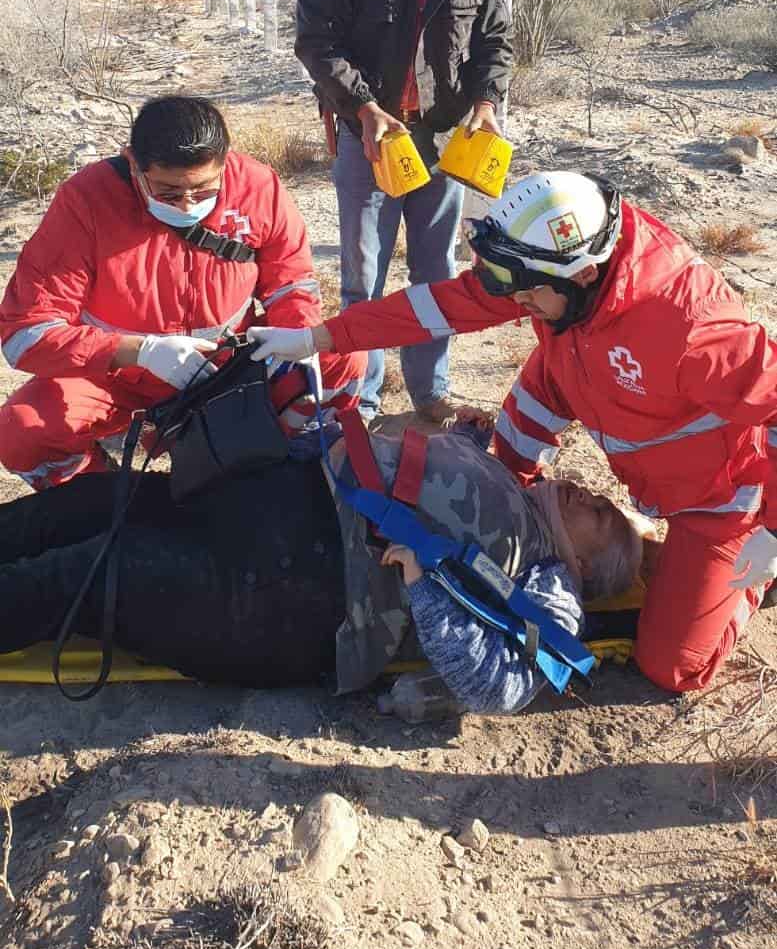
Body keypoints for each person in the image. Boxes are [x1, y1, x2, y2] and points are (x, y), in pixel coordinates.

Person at [251, 170, 777, 695]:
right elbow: (442, 307)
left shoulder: (692, 329)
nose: (516, 305)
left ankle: (758, 579)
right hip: (587, 377)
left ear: (584, 275)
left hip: (719, 497)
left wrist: (772, 530)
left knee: (674, 667)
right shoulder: (550, 267)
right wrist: (320, 337)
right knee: (513, 461)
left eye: (526, 296)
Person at [0, 423, 640, 712]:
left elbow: (497, 688)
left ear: (584, 564)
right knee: (87, 504)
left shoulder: (550, 583)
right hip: (271, 506)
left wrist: (425, 586)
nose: (594, 498)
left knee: (86, 573)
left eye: (604, 518)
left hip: (289, 597)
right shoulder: (511, 482)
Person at [0, 95, 363, 490]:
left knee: (345, 354)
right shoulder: (86, 201)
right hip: (121, 379)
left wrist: (296, 335)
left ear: (226, 163)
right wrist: (139, 351)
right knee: (20, 432)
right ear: (133, 163)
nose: (188, 203)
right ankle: (106, 501)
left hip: (230, 366)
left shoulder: (257, 187)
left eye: (206, 191)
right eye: (169, 193)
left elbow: (291, 283)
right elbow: (25, 334)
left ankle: (283, 465)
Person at [295, 0, 512, 423]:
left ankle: (430, 393)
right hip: (368, 139)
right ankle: (358, 399)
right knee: (362, 275)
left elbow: (494, 43)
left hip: (444, 142)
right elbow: (318, 46)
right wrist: (364, 109)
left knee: (437, 274)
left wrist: (487, 104)